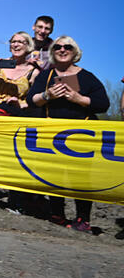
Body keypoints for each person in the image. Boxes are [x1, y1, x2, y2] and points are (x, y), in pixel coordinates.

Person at [27, 35, 109, 232]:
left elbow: (103, 104)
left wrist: (79, 99)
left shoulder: (87, 77)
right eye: (58, 47)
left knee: (81, 177)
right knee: (55, 174)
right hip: (52, 134)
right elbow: (31, 100)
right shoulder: (46, 75)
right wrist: (48, 95)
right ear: (53, 52)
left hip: (82, 135)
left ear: (75, 52)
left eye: (68, 47)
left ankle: (82, 218)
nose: (62, 50)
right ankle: (57, 214)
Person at [0, 31, 40, 213]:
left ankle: (16, 200)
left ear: (29, 46)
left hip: (18, 117)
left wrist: (20, 102)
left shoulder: (34, 71)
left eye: (21, 42)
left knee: (15, 158)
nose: (16, 45)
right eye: (13, 42)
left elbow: (34, 98)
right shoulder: (0, 66)